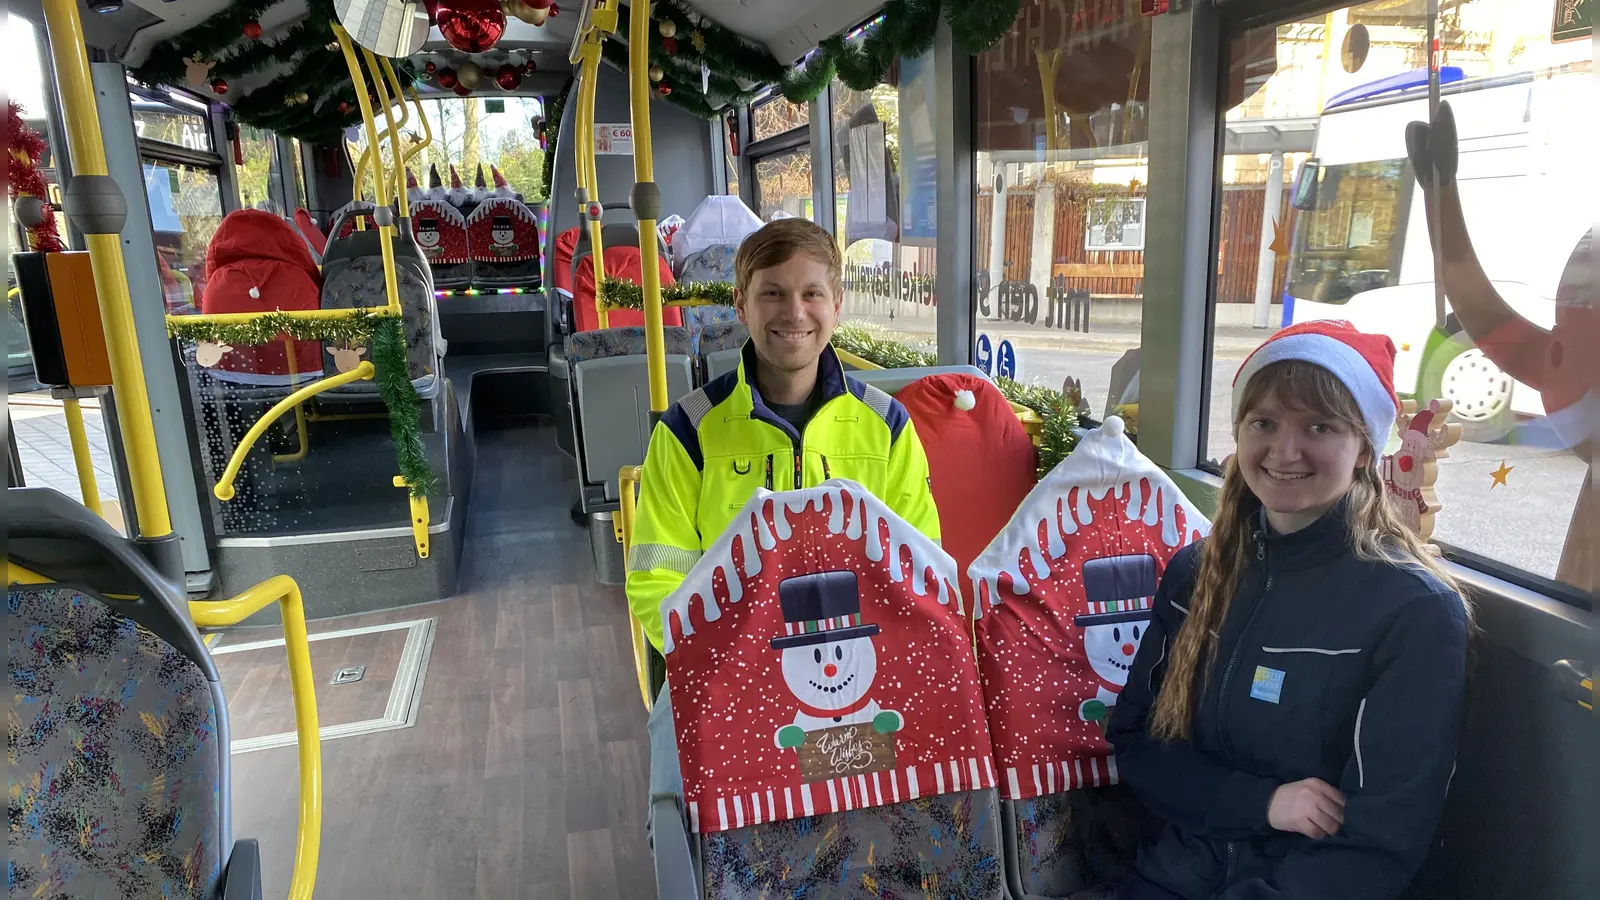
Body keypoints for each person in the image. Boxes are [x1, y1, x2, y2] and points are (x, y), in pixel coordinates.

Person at [1107, 320, 1471, 900]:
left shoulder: (1413, 612)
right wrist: (1265, 804)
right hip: (1171, 878)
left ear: (1364, 451)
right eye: (1264, 423)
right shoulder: (1196, 575)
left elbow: (1376, 845)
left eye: (1319, 426)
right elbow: (1139, 746)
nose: (1285, 450)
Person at [625, 217, 941, 825]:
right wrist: (735, 668)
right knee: (680, 798)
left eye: (811, 293)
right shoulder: (688, 432)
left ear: (837, 304)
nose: (793, 311)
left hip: (859, 666)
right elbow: (657, 581)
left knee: (898, 813)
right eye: (772, 292)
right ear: (740, 303)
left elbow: (919, 565)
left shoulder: (889, 426)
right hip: (725, 669)